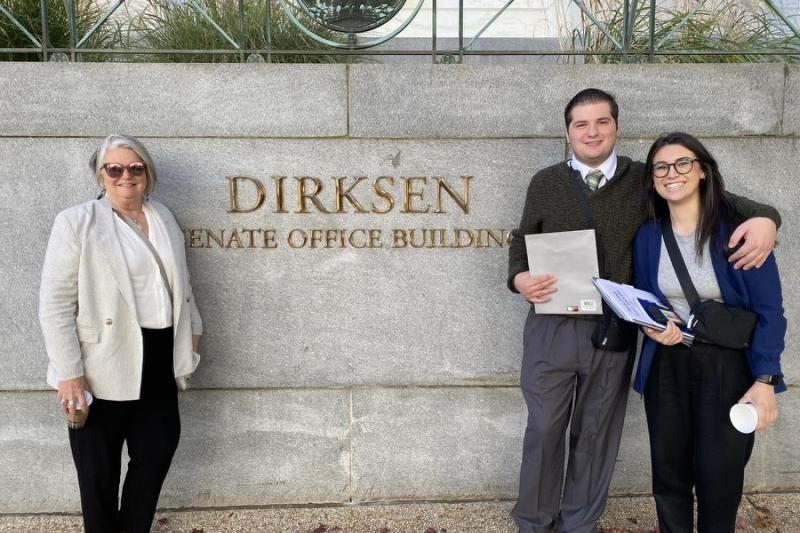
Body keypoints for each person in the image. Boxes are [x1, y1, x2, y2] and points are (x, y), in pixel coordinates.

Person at [507, 89, 781, 533]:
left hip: (614, 328)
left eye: (601, 122)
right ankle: (534, 522)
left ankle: (580, 523)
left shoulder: (644, 178)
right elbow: (522, 240)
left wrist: (768, 218)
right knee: (543, 428)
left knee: (596, 433)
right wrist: (519, 279)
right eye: (581, 124)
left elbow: (723, 198)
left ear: (616, 126)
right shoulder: (546, 182)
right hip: (552, 323)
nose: (592, 132)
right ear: (567, 132)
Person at [39, 134, 203, 533]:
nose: (125, 176)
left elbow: (182, 284)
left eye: (135, 167)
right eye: (114, 168)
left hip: (160, 357)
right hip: (100, 363)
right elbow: (55, 302)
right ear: (101, 175)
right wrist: (69, 373)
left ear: (147, 173)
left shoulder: (163, 217)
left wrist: (194, 332)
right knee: (98, 473)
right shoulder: (78, 221)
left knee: (157, 451)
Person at [632, 132, 786, 533]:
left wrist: (765, 379)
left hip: (727, 370)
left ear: (701, 171)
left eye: (683, 163)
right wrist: (652, 327)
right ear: (652, 179)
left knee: (720, 481)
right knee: (669, 478)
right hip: (666, 366)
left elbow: (770, 311)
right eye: (661, 167)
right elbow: (645, 299)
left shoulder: (738, 234)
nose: (672, 174)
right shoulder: (648, 236)